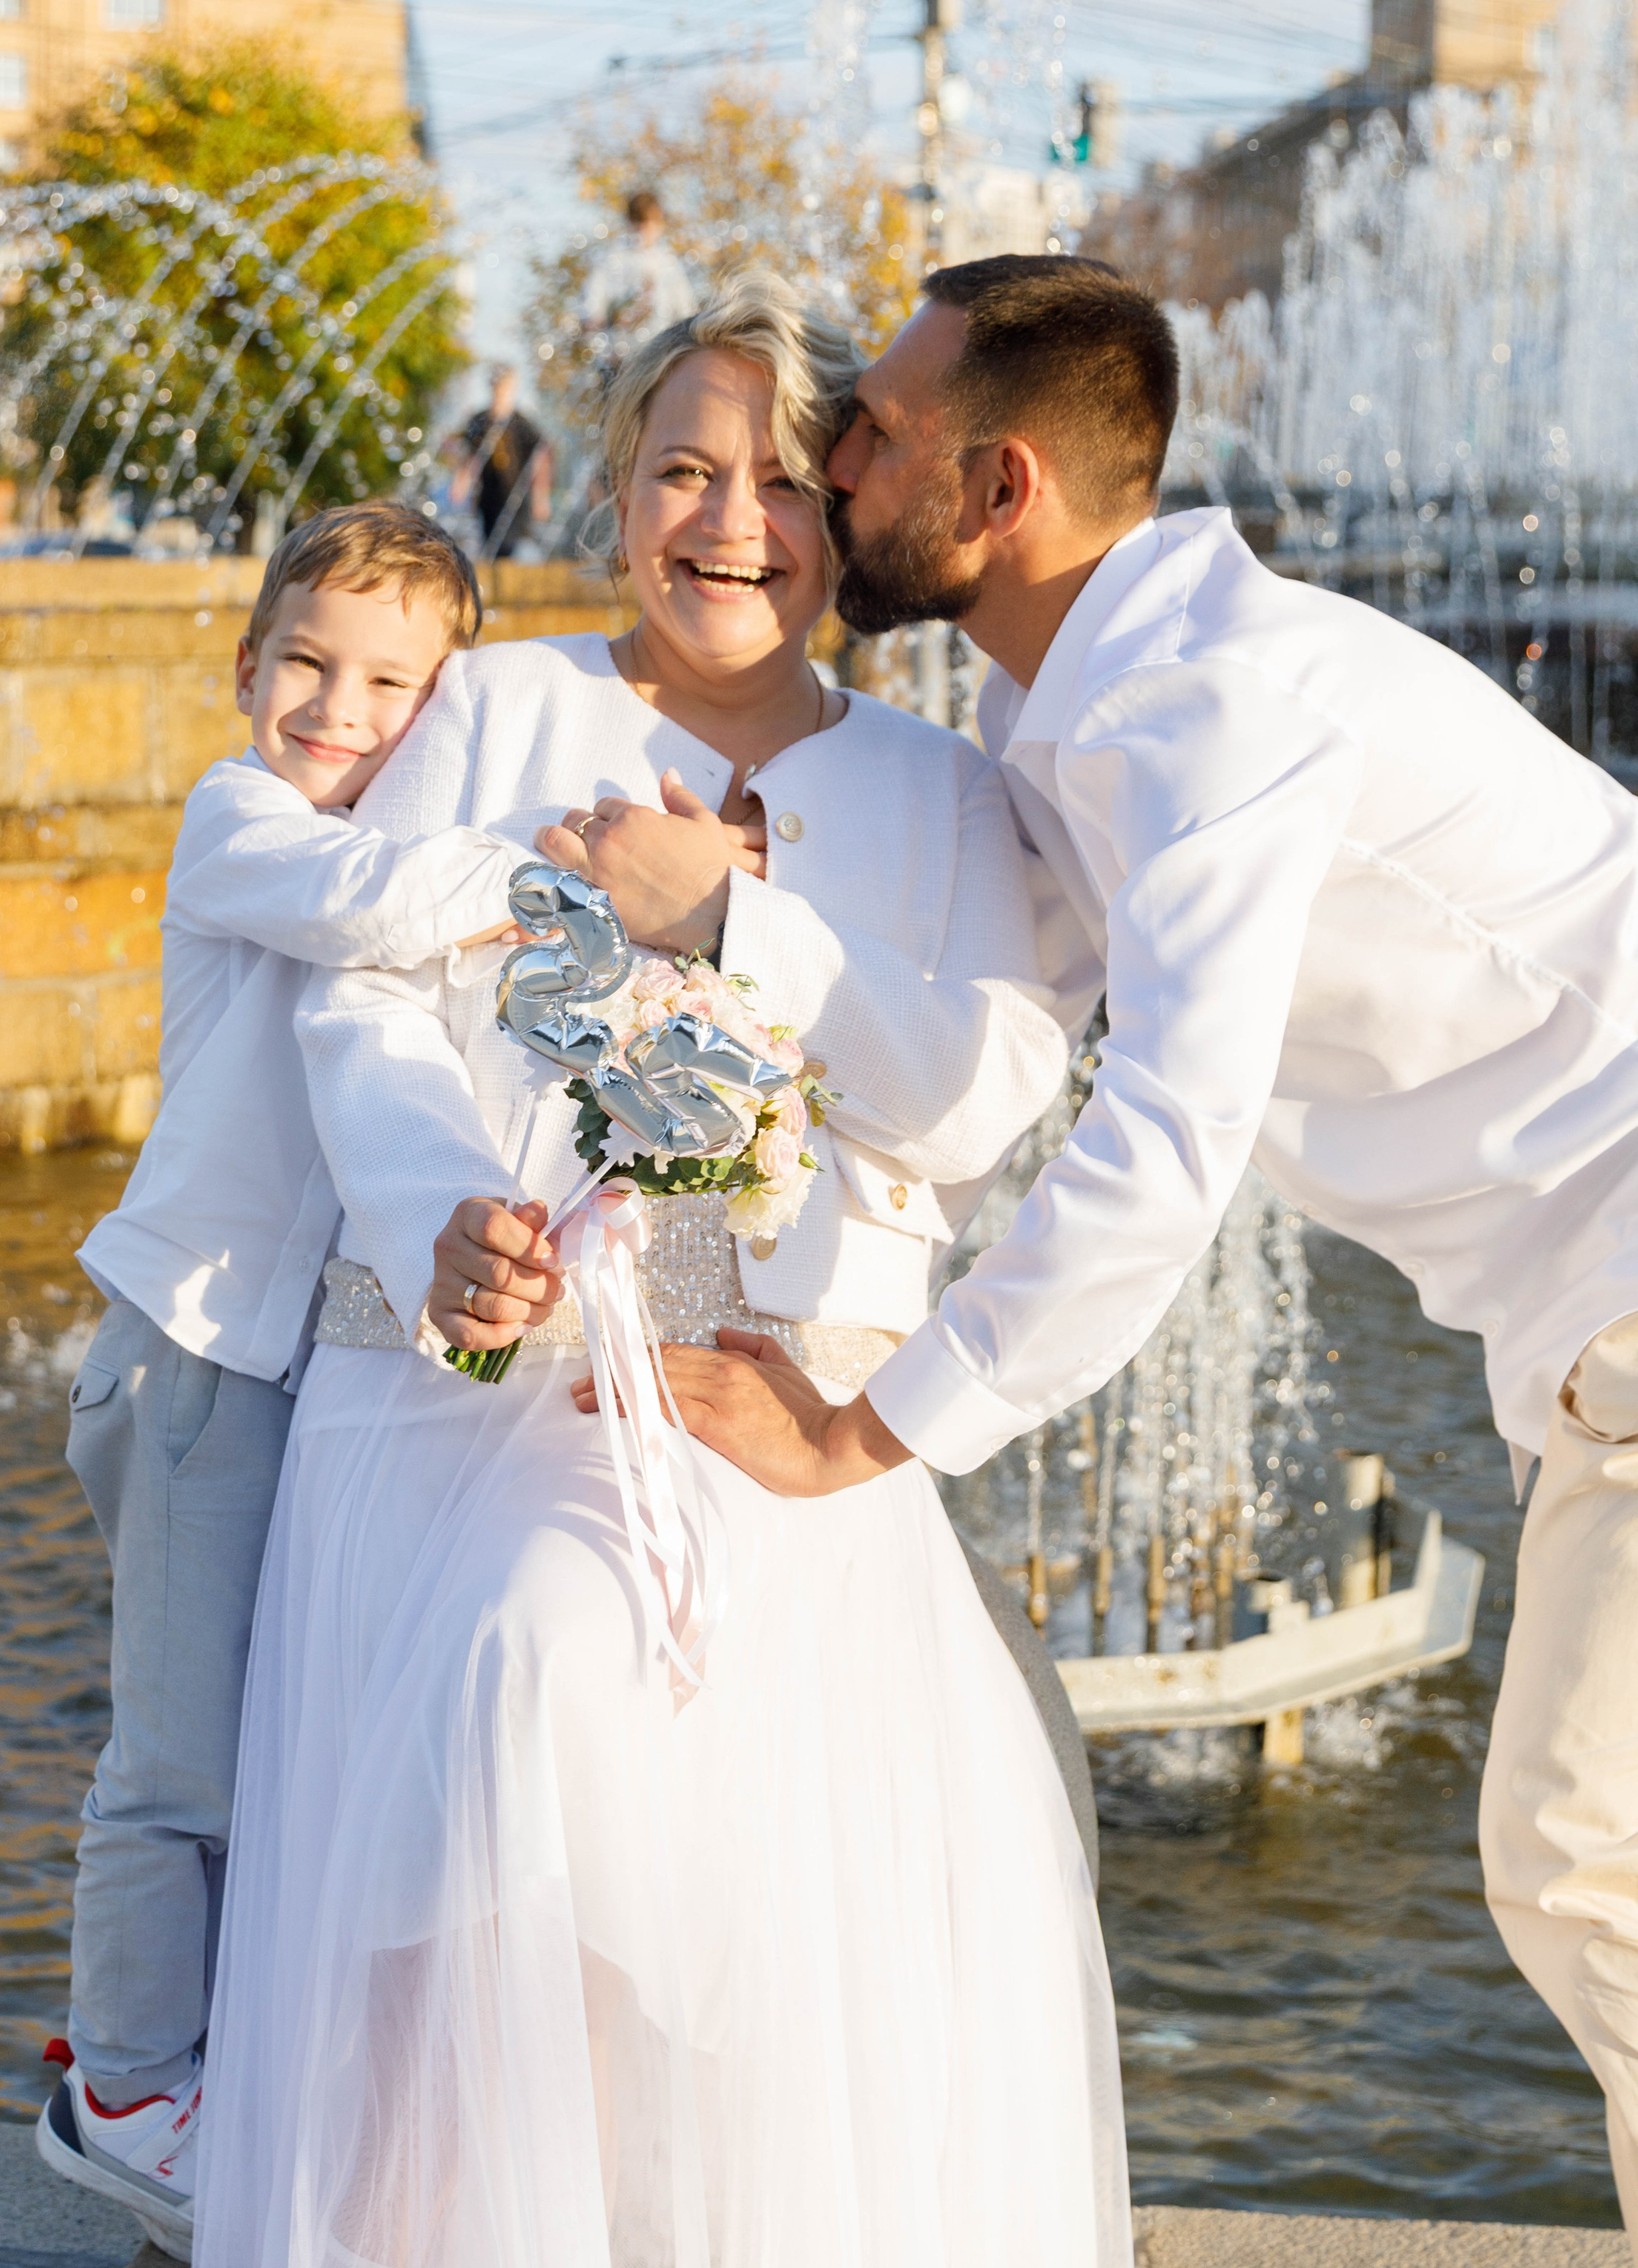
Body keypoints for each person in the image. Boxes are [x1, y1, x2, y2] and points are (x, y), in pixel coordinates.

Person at [660, 252, 1638, 2245]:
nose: (833, 465)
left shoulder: (1203, 712)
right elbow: (976, 1073)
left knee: (1579, 1857)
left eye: (871, 434)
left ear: (998, 490)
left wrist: (867, 1431)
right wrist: (737, 911)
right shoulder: (1092, 713)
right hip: (1586, 1307)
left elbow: (1162, 1141)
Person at [193, 272, 1132, 2267]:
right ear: (612, 492)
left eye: (785, 480)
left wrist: (740, 923)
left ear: (845, 516)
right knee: (490, 1797)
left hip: (782, 1438)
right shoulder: (491, 710)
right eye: (684, 471)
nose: (731, 523)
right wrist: (433, 1208)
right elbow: (359, 996)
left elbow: (972, 1108)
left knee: (746, 1978)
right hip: (458, 1410)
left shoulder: (953, 801)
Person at [39, 501, 532, 2260]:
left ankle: (209, 2051)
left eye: (393, 684)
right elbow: (369, 898)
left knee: (266, 1744)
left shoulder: (395, 842)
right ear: (246, 671)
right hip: (191, 1356)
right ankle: (120, 2083)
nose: (340, 706)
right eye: (308, 664)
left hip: (270, 1363)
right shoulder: (241, 820)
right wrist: (562, 866)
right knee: (177, 1761)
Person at [582, 187, 699, 375]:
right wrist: (605, 352)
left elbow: (685, 312)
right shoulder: (612, 259)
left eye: (651, 225)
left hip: (658, 359)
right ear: (628, 224)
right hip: (618, 362)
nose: (644, 232)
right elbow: (592, 311)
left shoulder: (668, 263)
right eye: (639, 225)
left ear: (660, 226)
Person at [453, 364, 552, 559]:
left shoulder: (522, 424)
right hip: (488, 497)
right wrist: (462, 482)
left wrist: (542, 496)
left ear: (514, 390)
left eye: (507, 389)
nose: (502, 394)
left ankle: (509, 584)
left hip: (517, 497)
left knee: (511, 546)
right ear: (491, 388)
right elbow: (470, 457)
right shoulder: (479, 421)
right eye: (498, 388)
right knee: (490, 545)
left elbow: (540, 458)